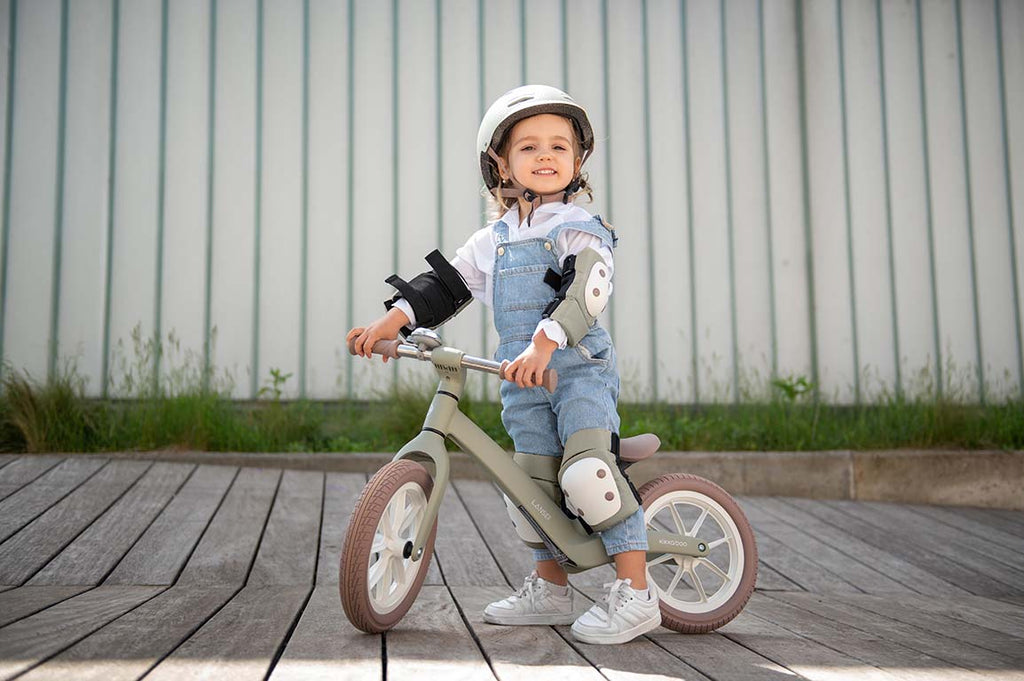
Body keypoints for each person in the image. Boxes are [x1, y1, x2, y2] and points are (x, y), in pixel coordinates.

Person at [346, 84, 660, 645]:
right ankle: (552, 588)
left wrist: (546, 343)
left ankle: (635, 592)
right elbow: (445, 287)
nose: (546, 156)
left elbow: (587, 288)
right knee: (528, 486)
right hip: (519, 381)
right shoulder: (494, 239)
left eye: (560, 147)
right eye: (530, 146)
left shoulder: (576, 228)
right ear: (501, 163)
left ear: (579, 160)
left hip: (577, 369)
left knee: (587, 473)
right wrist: (392, 323)